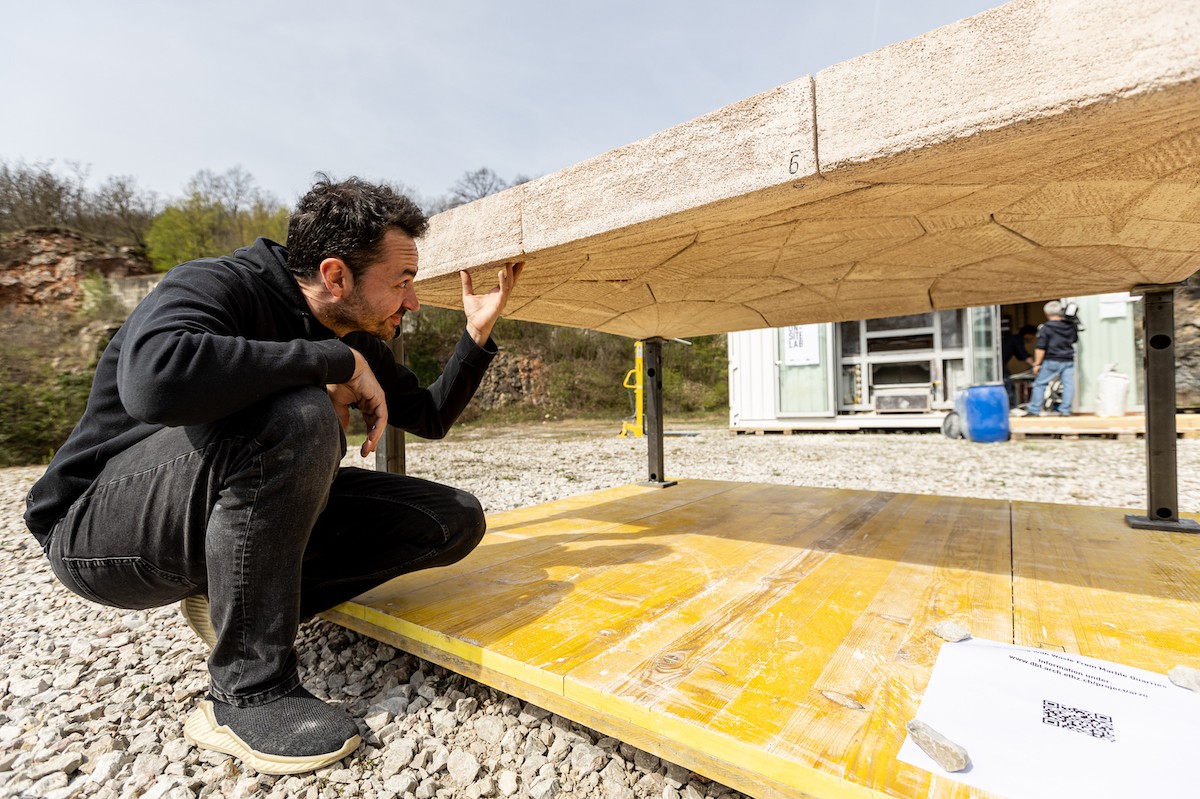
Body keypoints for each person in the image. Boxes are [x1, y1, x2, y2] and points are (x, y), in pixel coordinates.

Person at [23, 176, 523, 775]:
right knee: (301, 410)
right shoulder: (218, 284)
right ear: (336, 276)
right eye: (403, 282)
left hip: (211, 513)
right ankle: (246, 691)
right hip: (97, 531)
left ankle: (233, 602)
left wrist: (476, 331)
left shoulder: (355, 334)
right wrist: (331, 362)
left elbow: (432, 415)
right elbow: (154, 378)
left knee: (452, 520)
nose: (412, 303)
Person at [1027, 300, 1078, 416]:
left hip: (1052, 360)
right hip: (1068, 359)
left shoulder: (1045, 328)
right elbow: (1074, 340)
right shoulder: (1071, 326)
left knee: (1040, 384)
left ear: (1047, 313)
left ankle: (1034, 410)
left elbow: (1040, 347)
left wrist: (1037, 364)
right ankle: (1065, 411)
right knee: (1068, 385)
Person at [1001, 323, 1037, 409]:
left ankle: (1009, 406)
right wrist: (1035, 365)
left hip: (1000, 364)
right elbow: (1023, 354)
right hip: (999, 365)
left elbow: (1020, 356)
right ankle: (1010, 407)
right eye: (1033, 335)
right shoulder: (1017, 340)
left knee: (1008, 385)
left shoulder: (1012, 339)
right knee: (1008, 385)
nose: (1033, 338)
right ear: (1029, 334)